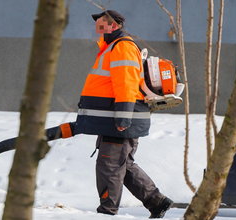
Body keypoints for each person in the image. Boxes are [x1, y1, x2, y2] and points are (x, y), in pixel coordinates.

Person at [74, 10, 174, 218]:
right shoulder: (112, 47)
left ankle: (107, 212)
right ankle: (157, 202)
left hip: (119, 119)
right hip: (113, 119)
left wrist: (123, 117)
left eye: (102, 25)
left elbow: (126, 85)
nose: (97, 29)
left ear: (114, 25)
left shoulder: (123, 47)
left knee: (109, 166)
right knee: (122, 164)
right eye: (97, 25)